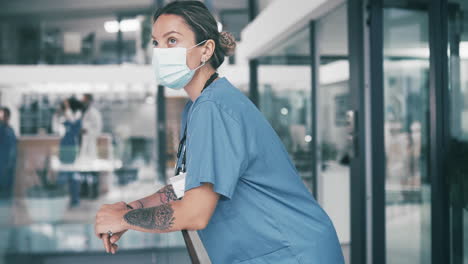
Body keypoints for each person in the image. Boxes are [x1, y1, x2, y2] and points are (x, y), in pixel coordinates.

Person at [94, 1, 345, 263]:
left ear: (205, 50)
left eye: (172, 41)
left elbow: (195, 212)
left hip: (292, 252)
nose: (160, 51)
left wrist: (123, 219)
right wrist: (134, 208)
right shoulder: (199, 106)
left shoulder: (213, 107)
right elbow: (187, 185)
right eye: (156, 42)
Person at [54, 98, 83, 207]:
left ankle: (74, 199)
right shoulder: (65, 118)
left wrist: (66, 108)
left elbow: (72, 122)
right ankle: (62, 198)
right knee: (64, 173)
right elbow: (57, 128)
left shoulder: (77, 117)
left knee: (72, 174)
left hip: (71, 148)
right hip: (65, 148)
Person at [78, 93, 102, 199]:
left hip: (90, 146)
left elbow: (98, 130)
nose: (84, 102)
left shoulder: (94, 114)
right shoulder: (81, 112)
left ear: (90, 101)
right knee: (83, 171)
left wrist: (86, 130)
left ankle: (94, 193)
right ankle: (84, 192)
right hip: (83, 146)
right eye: (83, 100)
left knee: (93, 171)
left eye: (85, 100)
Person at [0, 107, 17, 201]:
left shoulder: (10, 129)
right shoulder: (2, 129)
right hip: (2, 163)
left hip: (10, 163)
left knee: (8, 186)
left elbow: (14, 145)